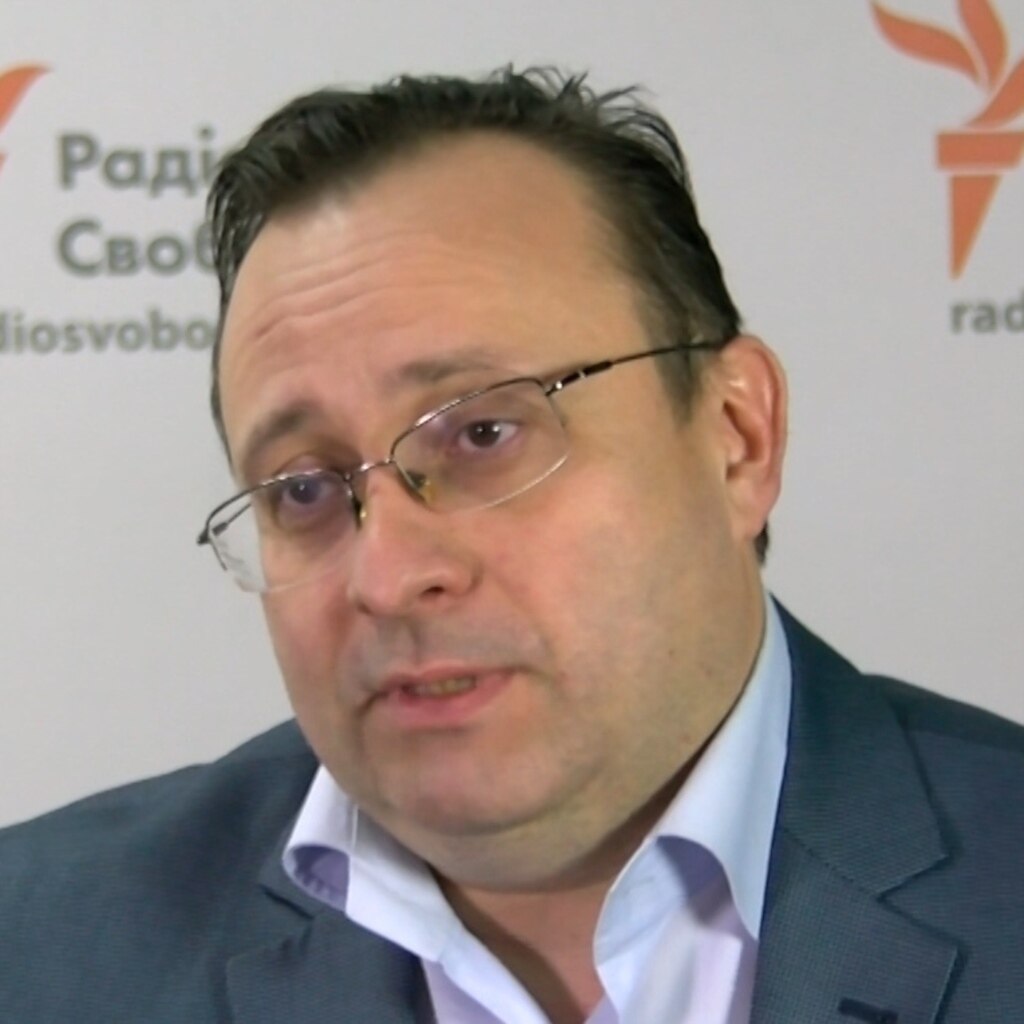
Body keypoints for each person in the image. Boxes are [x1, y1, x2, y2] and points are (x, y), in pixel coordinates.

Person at [2, 67, 1022, 1024]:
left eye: (484, 433)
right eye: (303, 489)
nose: (389, 576)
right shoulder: (41, 950)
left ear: (735, 437)